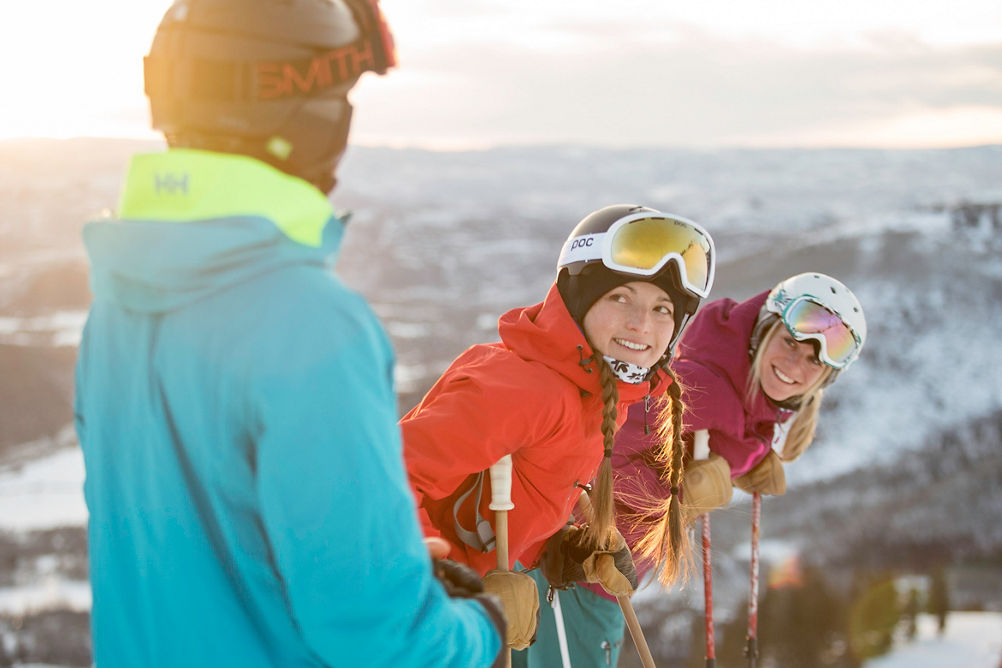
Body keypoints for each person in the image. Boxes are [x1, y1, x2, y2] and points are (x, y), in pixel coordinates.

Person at [73, 1, 505, 665]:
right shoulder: (310, 322)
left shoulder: (118, 306)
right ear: (314, 113)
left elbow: (191, 556)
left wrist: (381, 562)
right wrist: (484, 627)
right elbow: (384, 642)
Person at [399, 204, 716, 655]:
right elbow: (380, 485)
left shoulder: (597, 391)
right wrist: (450, 587)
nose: (641, 324)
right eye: (620, 297)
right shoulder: (528, 389)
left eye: (662, 308)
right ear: (579, 299)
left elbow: (493, 505)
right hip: (416, 625)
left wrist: (563, 551)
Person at [540, 272, 866, 667]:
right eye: (790, 342)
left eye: (814, 360)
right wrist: (677, 496)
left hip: (603, 572)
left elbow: (698, 437)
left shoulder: (746, 391)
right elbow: (598, 450)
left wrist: (744, 458)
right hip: (580, 566)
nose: (796, 365)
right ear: (764, 329)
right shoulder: (703, 385)